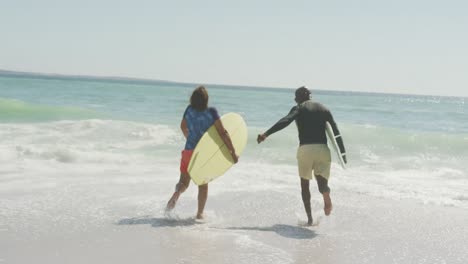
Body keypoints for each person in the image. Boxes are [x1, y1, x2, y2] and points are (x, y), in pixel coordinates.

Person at [257, 86, 346, 225]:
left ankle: (310, 220)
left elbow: (285, 121)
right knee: (322, 182)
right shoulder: (324, 109)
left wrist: (266, 134)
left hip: (305, 149)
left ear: (300, 97)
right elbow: (336, 133)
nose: (294, 99)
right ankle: (325, 193)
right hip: (323, 149)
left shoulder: (299, 108)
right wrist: (343, 154)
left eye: (296, 96)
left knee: (305, 185)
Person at [166, 86, 238, 219]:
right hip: (202, 154)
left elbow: (182, 126)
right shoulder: (212, 112)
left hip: (188, 151)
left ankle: (176, 194)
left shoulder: (189, 110)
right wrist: (232, 152)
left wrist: (189, 138)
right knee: (203, 185)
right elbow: (223, 133)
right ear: (206, 99)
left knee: (183, 182)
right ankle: (199, 214)